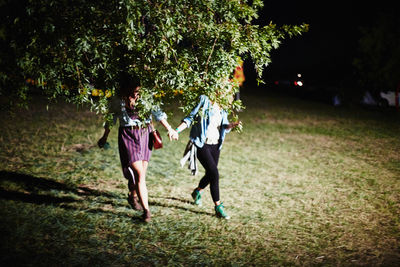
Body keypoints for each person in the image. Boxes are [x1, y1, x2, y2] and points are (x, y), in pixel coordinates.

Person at [98, 74, 178, 222]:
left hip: (144, 134)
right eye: (134, 90)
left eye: (138, 90)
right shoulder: (117, 100)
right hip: (128, 136)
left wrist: (170, 129)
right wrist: (104, 136)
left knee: (140, 174)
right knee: (140, 174)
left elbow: (158, 114)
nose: (137, 93)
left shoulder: (145, 97)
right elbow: (111, 119)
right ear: (126, 89)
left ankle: (132, 195)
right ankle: (147, 212)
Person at [174, 92, 241, 219]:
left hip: (215, 144)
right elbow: (190, 117)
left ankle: (197, 192)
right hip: (201, 143)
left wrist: (231, 125)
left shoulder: (223, 105)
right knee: (214, 173)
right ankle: (218, 206)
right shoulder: (204, 100)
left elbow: (223, 125)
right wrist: (176, 130)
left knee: (210, 174)